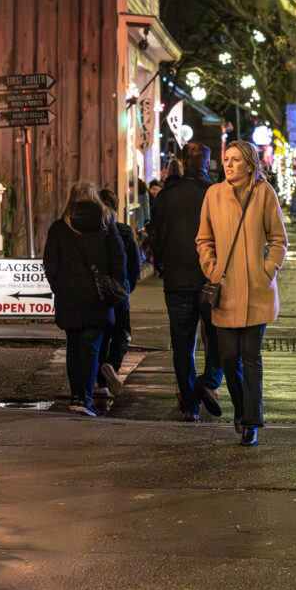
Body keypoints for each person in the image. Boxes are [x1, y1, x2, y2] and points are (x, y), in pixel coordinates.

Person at [196, 141, 288, 446]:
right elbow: (204, 239)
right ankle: (241, 408)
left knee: (251, 356)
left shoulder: (264, 193)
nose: (229, 164)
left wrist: (268, 268)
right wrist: (211, 267)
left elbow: (278, 238)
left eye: (236, 159)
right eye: (227, 159)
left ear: (250, 165)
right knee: (227, 357)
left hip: (257, 290)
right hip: (224, 289)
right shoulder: (213, 194)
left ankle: (251, 422)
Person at [150, 149, 224, 422]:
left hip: (176, 280)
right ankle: (209, 382)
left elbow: (155, 236)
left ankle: (190, 405)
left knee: (182, 344)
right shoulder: (216, 194)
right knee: (217, 337)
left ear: (181, 163)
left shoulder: (166, 195)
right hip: (210, 279)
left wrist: (163, 263)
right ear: (207, 163)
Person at [43, 181, 126, 416]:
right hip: (97, 298)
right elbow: (118, 259)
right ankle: (84, 399)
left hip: (69, 297)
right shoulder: (106, 224)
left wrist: (59, 287)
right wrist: (116, 286)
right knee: (90, 348)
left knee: (74, 347)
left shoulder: (60, 227)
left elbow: (50, 263)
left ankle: (77, 396)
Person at [93, 188, 141, 398]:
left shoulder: (92, 232)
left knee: (102, 337)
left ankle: (100, 383)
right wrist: (129, 286)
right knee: (122, 333)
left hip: (97, 293)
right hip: (120, 291)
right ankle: (112, 365)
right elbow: (135, 266)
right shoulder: (125, 232)